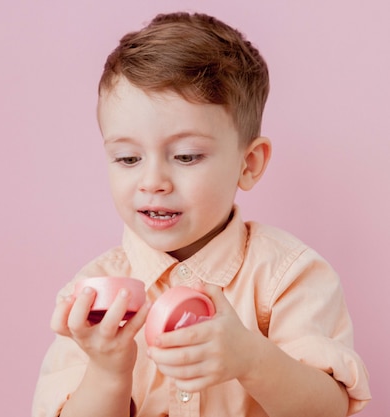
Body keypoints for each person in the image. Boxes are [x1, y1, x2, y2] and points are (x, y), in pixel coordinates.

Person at [31, 11, 371, 417]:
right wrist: (108, 370)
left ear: (249, 164)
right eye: (127, 158)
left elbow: (330, 409)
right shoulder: (92, 296)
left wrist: (252, 360)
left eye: (186, 156)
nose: (153, 181)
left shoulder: (287, 276)